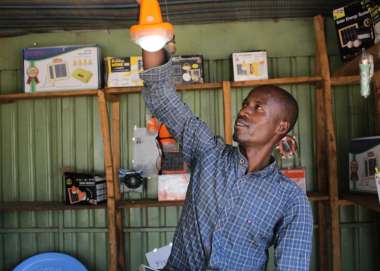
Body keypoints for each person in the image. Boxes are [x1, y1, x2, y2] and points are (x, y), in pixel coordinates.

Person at [140, 48, 313, 271]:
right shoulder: (208, 152)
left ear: (281, 126)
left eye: (257, 108)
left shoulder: (291, 200)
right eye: (244, 105)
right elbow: (162, 98)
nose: (243, 112)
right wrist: (153, 42)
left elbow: (292, 267)